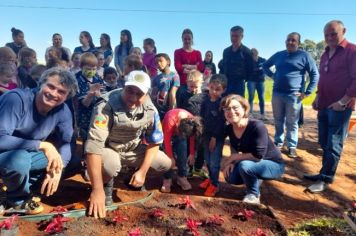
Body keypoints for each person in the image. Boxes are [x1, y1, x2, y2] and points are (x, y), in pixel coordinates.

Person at [85, 70, 172, 218]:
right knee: (110, 165)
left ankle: (131, 178)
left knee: (164, 162)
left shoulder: (151, 109)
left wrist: (142, 172)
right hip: (109, 150)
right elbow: (94, 145)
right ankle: (105, 185)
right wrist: (96, 190)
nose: (133, 97)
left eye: (139, 94)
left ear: (147, 94)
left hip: (133, 149)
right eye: (129, 91)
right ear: (123, 87)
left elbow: (155, 141)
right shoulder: (106, 105)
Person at [0, 67, 78, 214]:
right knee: (18, 159)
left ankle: (24, 188)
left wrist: (57, 169)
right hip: (6, 154)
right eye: (51, 86)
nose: (54, 94)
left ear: (67, 96)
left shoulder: (62, 110)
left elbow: (67, 142)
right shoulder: (16, 99)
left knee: (71, 161)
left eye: (61, 92)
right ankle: (16, 200)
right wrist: (42, 145)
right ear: (41, 84)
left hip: (26, 154)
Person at [304, 20, 356, 193]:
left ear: (344, 31)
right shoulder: (325, 53)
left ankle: (326, 178)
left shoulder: (352, 51)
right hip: (324, 104)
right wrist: (318, 96)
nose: (329, 38)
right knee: (324, 140)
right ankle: (322, 173)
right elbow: (323, 78)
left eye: (333, 33)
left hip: (340, 107)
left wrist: (343, 101)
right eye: (326, 35)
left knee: (334, 143)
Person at [263, 32, 319, 158]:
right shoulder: (279, 55)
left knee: (292, 122)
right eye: (288, 40)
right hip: (277, 93)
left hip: (294, 95)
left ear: (298, 43)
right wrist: (273, 76)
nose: (290, 42)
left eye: (293, 40)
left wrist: (308, 92)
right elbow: (265, 65)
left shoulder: (304, 56)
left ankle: (292, 146)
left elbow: (315, 74)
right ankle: (278, 142)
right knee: (278, 120)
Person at [222, 94, 285, 204]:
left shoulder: (257, 126)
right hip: (254, 162)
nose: (231, 111)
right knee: (230, 176)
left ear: (244, 108)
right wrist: (232, 162)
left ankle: (253, 195)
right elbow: (234, 146)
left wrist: (235, 157)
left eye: (235, 108)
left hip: (273, 164)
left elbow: (258, 155)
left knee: (245, 166)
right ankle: (255, 178)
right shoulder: (230, 128)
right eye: (227, 109)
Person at [161, 108, 203, 192]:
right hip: (168, 134)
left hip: (181, 135)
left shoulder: (191, 121)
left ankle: (181, 177)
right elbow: (166, 141)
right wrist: (170, 157)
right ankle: (167, 179)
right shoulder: (170, 120)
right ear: (177, 124)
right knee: (168, 160)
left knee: (183, 156)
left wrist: (191, 153)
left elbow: (191, 138)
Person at [199, 74, 227, 197]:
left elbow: (221, 123)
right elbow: (202, 117)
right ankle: (210, 179)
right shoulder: (205, 101)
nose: (214, 91)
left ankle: (215, 185)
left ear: (223, 90)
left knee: (215, 162)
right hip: (206, 136)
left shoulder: (222, 103)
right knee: (207, 160)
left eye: (218, 89)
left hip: (217, 138)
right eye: (212, 88)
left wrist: (214, 138)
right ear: (208, 86)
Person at [75, 52, 104, 140]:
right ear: (81, 67)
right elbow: (85, 104)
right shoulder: (77, 80)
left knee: (99, 134)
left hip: (98, 114)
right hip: (84, 117)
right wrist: (91, 94)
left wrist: (99, 95)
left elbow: (103, 97)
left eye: (94, 69)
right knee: (86, 137)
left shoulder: (97, 78)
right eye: (88, 69)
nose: (91, 72)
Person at [220, 26, 254, 96]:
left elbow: (251, 69)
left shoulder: (247, 52)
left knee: (238, 104)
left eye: (236, 36)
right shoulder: (225, 51)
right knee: (224, 104)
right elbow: (223, 67)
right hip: (226, 83)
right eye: (232, 36)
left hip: (239, 85)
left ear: (242, 36)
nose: (233, 38)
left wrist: (244, 79)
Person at [174, 29, 204, 97]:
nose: (187, 41)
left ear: (192, 39)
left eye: (189, 39)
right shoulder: (178, 52)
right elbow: (178, 67)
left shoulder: (197, 53)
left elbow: (201, 67)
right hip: (183, 82)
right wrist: (195, 67)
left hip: (196, 83)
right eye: (185, 39)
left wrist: (185, 66)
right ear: (182, 39)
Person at [151, 53, 180, 120]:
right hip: (157, 109)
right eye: (156, 62)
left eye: (161, 61)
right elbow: (153, 94)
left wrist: (171, 110)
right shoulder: (156, 78)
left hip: (170, 107)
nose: (158, 63)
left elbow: (173, 93)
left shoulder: (174, 76)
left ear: (168, 61)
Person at [247, 48, 267, 119]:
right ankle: (250, 113)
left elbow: (266, 67)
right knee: (251, 97)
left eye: (254, 51)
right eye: (252, 52)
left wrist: (261, 70)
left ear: (257, 52)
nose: (253, 53)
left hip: (260, 81)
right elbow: (247, 70)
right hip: (251, 81)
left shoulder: (262, 60)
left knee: (261, 97)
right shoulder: (248, 61)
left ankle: (262, 114)